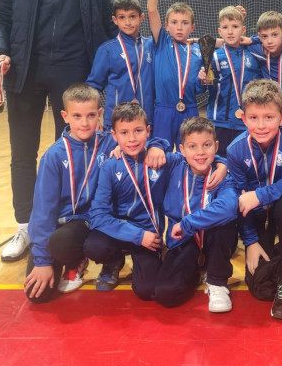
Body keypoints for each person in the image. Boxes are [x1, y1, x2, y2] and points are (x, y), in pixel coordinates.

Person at [0, 0, 116, 262]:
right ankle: (26, 226)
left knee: (74, 154)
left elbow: (106, 21)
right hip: (26, 69)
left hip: (74, 72)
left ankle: (69, 222)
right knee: (23, 153)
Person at [83, 103, 227, 298]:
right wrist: (137, 235)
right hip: (121, 231)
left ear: (148, 131)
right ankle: (113, 261)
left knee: (147, 291)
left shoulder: (162, 160)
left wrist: (222, 164)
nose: (132, 139)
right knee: (94, 246)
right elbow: (98, 215)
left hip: (149, 235)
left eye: (138, 131)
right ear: (114, 136)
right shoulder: (110, 167)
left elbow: (196, 156)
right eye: (124, 133)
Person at [24, 84, 118, 303]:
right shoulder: (54, 156)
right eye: (77, 116)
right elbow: (43, 210)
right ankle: (68, 256)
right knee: (37, 295)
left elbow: (140, 140)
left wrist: (155, 147)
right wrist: (42, 261)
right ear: (65, 116)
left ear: (100, 114)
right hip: (64, 226)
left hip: (94, 221)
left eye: (91, 115)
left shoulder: (109, 143)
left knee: (76, 243)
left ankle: (78, 260)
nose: (84, 123)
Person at [227, 79, 282, 320]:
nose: (261, 126)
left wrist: (261, 195)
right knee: (260, 288)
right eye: (254, 118)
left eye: (269, 117)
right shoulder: (235, 150)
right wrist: (250, 242)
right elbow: (241, 202)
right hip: (258, 217)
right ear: (243, 118)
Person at [158, 117, 238, 312]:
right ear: (182, 149)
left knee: (223, 221)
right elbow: (145, 149)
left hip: (214, 239)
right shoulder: (175, 164)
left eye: (206, 145)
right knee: (165, 294)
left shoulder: (223, 175)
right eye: (192, 146)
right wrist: (154, 147)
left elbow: (229, 207)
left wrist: (187, 223)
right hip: (183, 239)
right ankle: (196, 271)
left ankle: (217, 282)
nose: (200, 152)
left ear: (216, 146)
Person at [147, 0, 203, 149]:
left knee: (189, 155)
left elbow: (201, 88)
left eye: (185, 23)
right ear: (166, 26)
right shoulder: (162, 41)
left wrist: (205, 80)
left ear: (192, 27)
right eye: (174, 22)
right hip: (164, 109)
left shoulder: (199, 51)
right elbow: (151, 9)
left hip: (190, 109)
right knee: (159, 154)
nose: (179, 27)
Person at [199, 6, 262, 154]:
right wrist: (202, 79)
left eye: (235, 26)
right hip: (219, 121)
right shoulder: (213, 57)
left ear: (243, 30)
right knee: (219, 161)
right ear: (219, 32)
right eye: (225, 27)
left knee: (245, 160)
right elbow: (203, 88)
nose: (230, 31)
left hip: (247, 122)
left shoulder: (254, 55)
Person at [86, 0, 155, 130]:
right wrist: (93, 116)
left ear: (141, 17)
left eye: (132, 16)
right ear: (115, 20)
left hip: (147, 120)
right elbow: (93, 86)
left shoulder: (151, 46)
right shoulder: (107, 50)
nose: (127, 22)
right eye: (122, 17)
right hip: (116, 121)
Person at [246, 11, 282, 136]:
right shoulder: (255, 49)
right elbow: (231, 42)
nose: (269, 41)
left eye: (274, 35)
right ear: (259, 36)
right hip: (269, 112)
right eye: (264, 36)